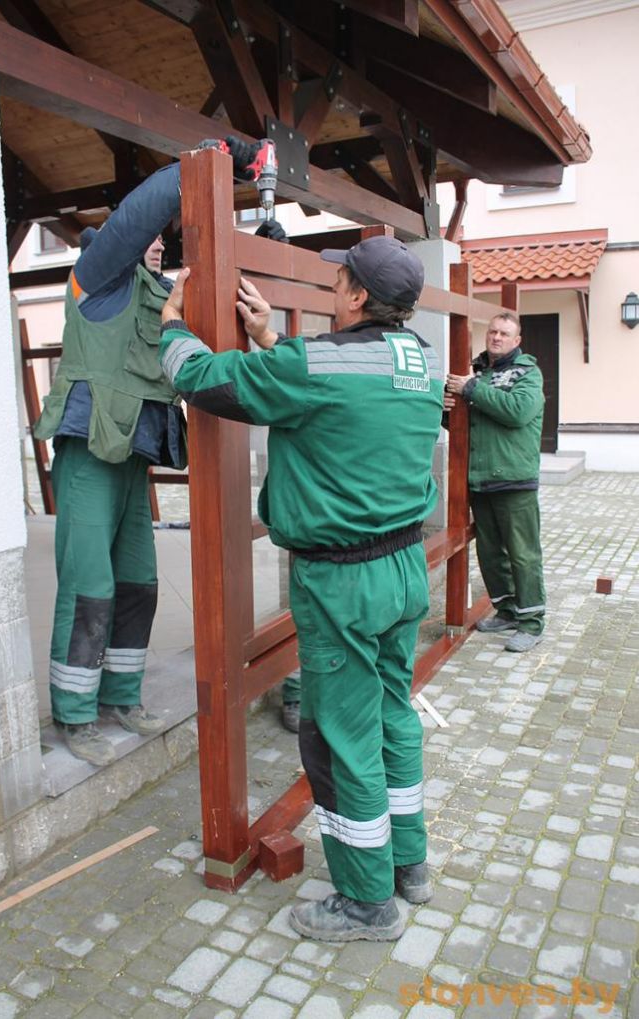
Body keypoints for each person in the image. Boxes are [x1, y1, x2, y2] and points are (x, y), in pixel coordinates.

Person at [159, 234, 444, 942]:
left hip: (342, 579)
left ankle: (366, 900)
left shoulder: (314, 363)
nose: (331, 286)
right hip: (404, 567)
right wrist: (269, 336)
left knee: (338, 736)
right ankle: (409, 863)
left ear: (354, 297)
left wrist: (169, 327)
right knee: (391, 717)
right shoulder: (417, 359)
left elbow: (206, 381)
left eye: (338, 278)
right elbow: (331, 394)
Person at [35, 137, 280, 766]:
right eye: (149, 238)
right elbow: (146, 208)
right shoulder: (96, 280)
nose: (158, 241)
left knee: (139, 583)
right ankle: (75, 715)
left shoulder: (156, 293)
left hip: (132, 455)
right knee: (89, 586)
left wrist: (264, 241)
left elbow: (214, 330)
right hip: (90, 451)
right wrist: (217, 159)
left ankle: (120, 696)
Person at [445, 312, 545, 652]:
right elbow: (471, 424)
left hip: (515, 480)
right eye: (492, 331)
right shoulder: (477, 372)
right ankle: (507, 611)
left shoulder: (528, 374)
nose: (496, 337)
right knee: (490, 554)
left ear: (517, 341)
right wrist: (448, 411)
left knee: (523, 555)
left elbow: (516, 412)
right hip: (480, 480)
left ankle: (531, 623)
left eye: (504, 333)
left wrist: (471, 388)